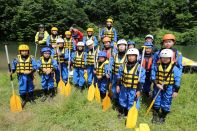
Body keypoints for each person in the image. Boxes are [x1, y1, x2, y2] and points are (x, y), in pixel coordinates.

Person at [151, 49, 181, 124]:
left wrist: (176, 91)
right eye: (163, 58)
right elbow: (153, 76)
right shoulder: (156, 66)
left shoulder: (174, 68)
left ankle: (163, 116)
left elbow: (177, 79)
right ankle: (155, 115)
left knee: (166, 102)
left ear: (170, 58)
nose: (165, 59)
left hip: (169, 87)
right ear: (160, 58)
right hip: (158, 86)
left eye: (167, 58)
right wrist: (156, 84)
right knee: (157, 101)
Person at [116, 48, 145, 117]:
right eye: (129, 56)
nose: (131, 57)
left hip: (134, 88)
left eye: (133, 56)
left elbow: (141, 80)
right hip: (124, 87)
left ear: (136, 57)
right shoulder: (122, 66)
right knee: (122, 99)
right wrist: (117, 85)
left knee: (132, 100)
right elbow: (119, 76)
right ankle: (123, 111)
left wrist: (139, 90)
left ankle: (130, 113)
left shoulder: (140, 68)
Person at [111, 39, 127, 107]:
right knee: (114, 89)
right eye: (120, 45)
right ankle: (116, 101)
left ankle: (122, 103)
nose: (121, 47)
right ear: (117, 47)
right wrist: (108, 71)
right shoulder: (114, 55)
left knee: (122, 90)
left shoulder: (128, 56)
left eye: (123, 45)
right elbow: (110, 64)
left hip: (124, 77)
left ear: (126, 47)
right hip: (115, 75)